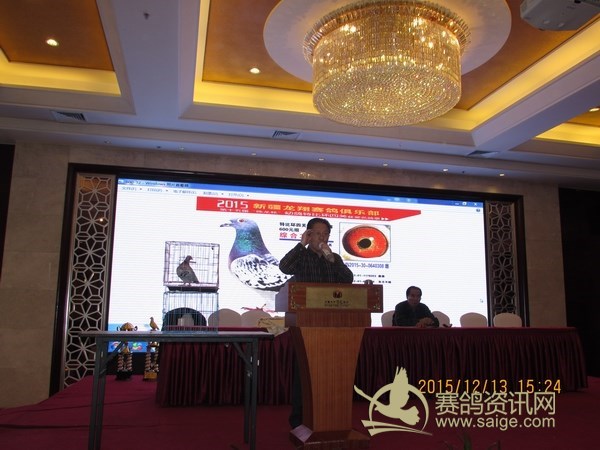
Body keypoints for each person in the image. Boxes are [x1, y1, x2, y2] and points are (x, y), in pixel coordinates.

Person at [279, 217, 353, 429]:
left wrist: (332, 259)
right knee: (304, 372)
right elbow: (284, 267)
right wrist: (301, 244)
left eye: (326, 234)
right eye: (318, 233)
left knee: (330, 372)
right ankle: (300, 420)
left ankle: (328, 417)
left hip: (332, 324)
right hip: (305, 324)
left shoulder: (333, 258)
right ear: (309, 235)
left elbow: (348, 279)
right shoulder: (301, 256)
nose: (323, 237)